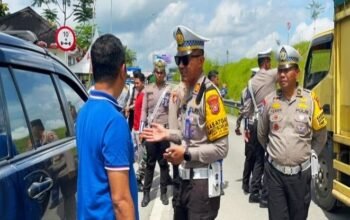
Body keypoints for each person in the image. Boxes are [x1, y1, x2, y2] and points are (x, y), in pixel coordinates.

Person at [142, 25, 229, 220]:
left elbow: (221, 148)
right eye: (178, 60)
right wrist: (168, 134)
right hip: (184, 182)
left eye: (186, 60)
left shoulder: (210, 96)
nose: (181, 65)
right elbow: (189, 134)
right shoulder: (189, 94)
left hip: (202, 187)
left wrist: (187, 154)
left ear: (201, 61)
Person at [258, 45, 327, 220]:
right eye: (280, 70)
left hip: (300, 177)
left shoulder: (310, 101)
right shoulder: (269, 101)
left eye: (287, 69)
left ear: (297, 72)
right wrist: (275, 153)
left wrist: (310, 154)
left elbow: (321, 135)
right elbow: (262, 134)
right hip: (275, 176)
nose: (282, 74)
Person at [76, 34, 138, 220]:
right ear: (123, 70)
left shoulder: (84, 112)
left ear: (93, 68)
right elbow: (120, 201)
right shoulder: (114, 122)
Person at [240, 48, 276, 207]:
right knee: (270, 159)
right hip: (267, 124)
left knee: (259, 159)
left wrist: (246, 127)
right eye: (270, 61)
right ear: (267, 62)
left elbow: (247, 108)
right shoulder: (271, 74)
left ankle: (254, 192)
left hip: (254, 124)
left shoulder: (250, 82)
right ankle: (266, 196)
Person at [140, 59, 172, 207]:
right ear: (154, 73)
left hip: (164, 132)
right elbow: (143, 111)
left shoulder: (170, 90)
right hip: (151, 132)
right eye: (157, 72)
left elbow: (173, 111)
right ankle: (146, 193)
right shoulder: (148, 89)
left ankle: (164, 193)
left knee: (164, 164)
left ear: (165, 73)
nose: (160, 74)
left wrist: (173, 133)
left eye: (162, 72)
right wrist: (142, 132)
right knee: (150, 164)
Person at [235, 67, 259, 194]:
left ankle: (252, 182)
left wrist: (238, 125)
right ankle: (247, 184)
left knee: (256, 157)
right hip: (251, 126)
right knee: (251, 157)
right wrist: (238, 124)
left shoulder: (247, 90)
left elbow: (241, 109)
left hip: (253, 127)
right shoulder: (248, 91)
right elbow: (243, 109)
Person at [131, 72, 147, 192]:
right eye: (134, 83)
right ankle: (137, 178)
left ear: (143, 82)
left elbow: (144, 114)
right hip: (135, 129)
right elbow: (136, 107)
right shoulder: (138, 94)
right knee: (139, 156)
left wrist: (141, 131)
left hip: (141, 131)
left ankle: (138, 178)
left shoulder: (145, 95)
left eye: (137, 83)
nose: (135, 85)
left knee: (144, 157)